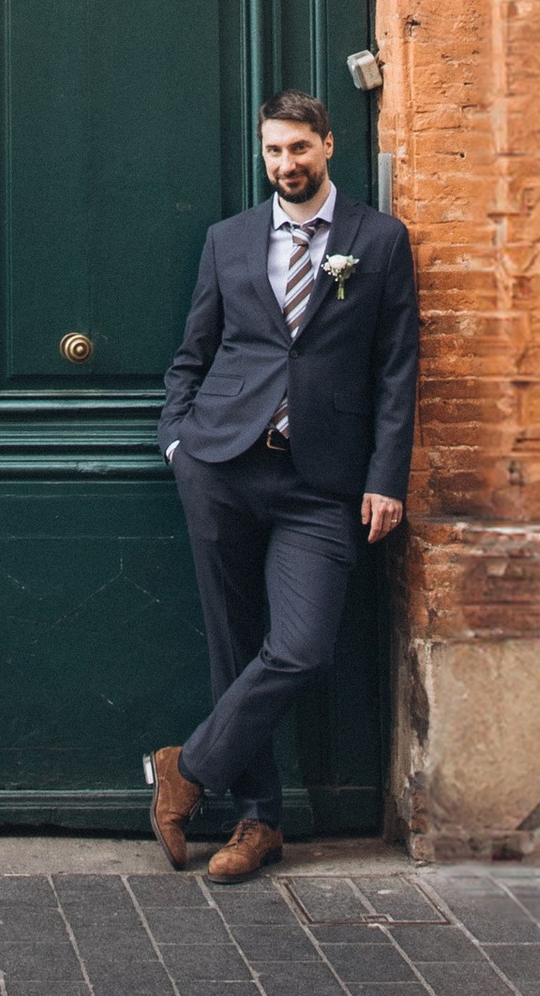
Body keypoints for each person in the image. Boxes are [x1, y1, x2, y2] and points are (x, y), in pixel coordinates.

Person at [146, 91, 419, 884]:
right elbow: (192, 351)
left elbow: (398, 368)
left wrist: (385, 475)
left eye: (299, 147)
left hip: (321, 480)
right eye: (272, 151)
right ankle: (258, 820)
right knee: (234, 645)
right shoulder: (228, 239)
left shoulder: (379, 239)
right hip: (223, 463)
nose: (285, 164)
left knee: (299, 647)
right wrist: (178, 441)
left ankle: (186, 765)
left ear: (329, 144)